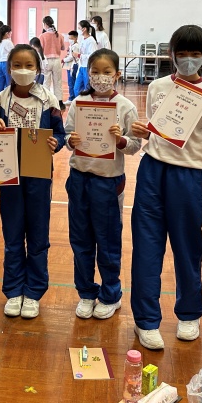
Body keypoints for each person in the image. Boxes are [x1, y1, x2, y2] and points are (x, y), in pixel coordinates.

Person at [128, 25, 202, 350]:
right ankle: (146, 320)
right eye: (182, 53)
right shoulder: (158, 86)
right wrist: (145, 132)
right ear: (171, 54)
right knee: (146, 246)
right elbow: (157, 130)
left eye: (195, 53)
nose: (188, 59)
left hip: (189, 178)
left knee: (188, 248)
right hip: (152, 171)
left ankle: (189, 313)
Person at [0, 44, 66, 319]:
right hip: (9, 174)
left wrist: (56, 143)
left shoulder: (48, 99)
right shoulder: (0, 99)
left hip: (39, 175)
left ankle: (33, 292)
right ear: (9, 69)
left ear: (38, 69)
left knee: (38, 234)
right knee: (12, 234)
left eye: (29, 65)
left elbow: (60, 133)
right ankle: (13, 290)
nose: (23, 70)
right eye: (17, 65)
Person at [64, 49, 141, 320]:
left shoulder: (125, 106)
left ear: (117, 74)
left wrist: (120, 140)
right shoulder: (79, 103)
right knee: (80, 240)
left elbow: (135, 146)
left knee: (108, 242)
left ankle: (111, 294)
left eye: (107, 72)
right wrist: (70, 141)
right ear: (88, 73)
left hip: (108, 182)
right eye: (95, 72)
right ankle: (86, 292)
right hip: (79, 178)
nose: (101, 77)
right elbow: (67, 136)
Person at [39, 16, 66, 103]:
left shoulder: (42, 36)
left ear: (45, 24)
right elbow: (63, 47)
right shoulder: (60, 35)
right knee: (58, 82)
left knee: (46, 82)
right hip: (57, 60)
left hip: (46, 60)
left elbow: (40, 49)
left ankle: (46, 101)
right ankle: (59, 101)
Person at [73, 20, 97, 95]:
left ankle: (87, 101)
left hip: (88, 67)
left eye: (79, 28)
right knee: (77, 88)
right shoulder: (83, 40)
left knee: (88, 88)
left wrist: (79, 55)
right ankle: (78, 100)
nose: (78, 30)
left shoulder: (91, 41)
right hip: (82, 66)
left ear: (84, 29)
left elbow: (92, 55)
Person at [0, 25, 14, 92]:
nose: (11, 35)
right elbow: (13, 54)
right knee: (9, 85)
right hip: (6, 63)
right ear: (7, 33)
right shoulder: (8, 42)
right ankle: (8, 98)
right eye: (10, 33)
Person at [63, 30, 80, 104]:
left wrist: (64, 60)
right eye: (69, 38)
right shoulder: (72, 46)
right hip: (71, 65)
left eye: (71, 38)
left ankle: (72, 98)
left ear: (76, 38)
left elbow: (71, 57)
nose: (70, 40)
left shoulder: (75, 46)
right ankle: (73, 97)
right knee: (72, 82)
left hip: (73, 66)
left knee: (71, 82)